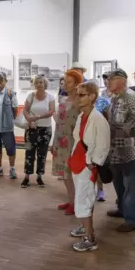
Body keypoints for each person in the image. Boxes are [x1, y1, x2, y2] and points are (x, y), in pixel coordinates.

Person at [106, 68, 135, 232]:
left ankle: (132, 220)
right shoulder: (115, 98)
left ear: (122, 81)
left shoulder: (132, 98)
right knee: (119, 184)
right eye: (107, 78)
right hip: (116, 151)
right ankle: (122, 210)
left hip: (131, 151)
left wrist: (132, 136)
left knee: (130, 187)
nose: (108, 81)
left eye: (111, 78)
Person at [69, 81, 110, 251]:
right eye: (76, 94)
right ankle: (86, 227)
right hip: (77, 163)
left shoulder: (98, 119)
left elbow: (103, 146)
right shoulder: (81, 116)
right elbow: (78, 139)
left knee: (84, 200)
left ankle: (90, 237)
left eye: (81, 94)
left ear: (92, 97)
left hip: (87, 166)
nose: (77, 98)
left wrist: (92, 164)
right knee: (83, 198)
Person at [51, 69, 82, 215]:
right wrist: (54, 142)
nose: (65, 84)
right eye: (64, 81)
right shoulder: (63, 100)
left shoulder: (80, 102)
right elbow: (59, 122)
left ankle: (76, 203)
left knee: (71, 174)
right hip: (60, 140)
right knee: (64, 174)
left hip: (73, 142)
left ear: (77, 84)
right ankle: (71, 200)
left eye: (69, 82)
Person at [21, 75, 55, 188]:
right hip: (32, 129)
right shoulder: (30, 96)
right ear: (35, 85)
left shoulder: (50, 97)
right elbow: (25, 110)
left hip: (45, 129)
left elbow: (51, 111)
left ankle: (39, 176)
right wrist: (29, 120)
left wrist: (38, 117)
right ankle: (26, 177)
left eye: (41, 82)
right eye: (37, 83)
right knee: (29, 153)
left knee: (42, 154)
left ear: (45, 84)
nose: (39, 84)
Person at [0, 71, 18, 179]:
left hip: (6, 127)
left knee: (10, 149)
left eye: (1, 79)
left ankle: (12, 169)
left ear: (6, 81)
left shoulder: (11, 93)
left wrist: (11, 120)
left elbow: (15, 109)